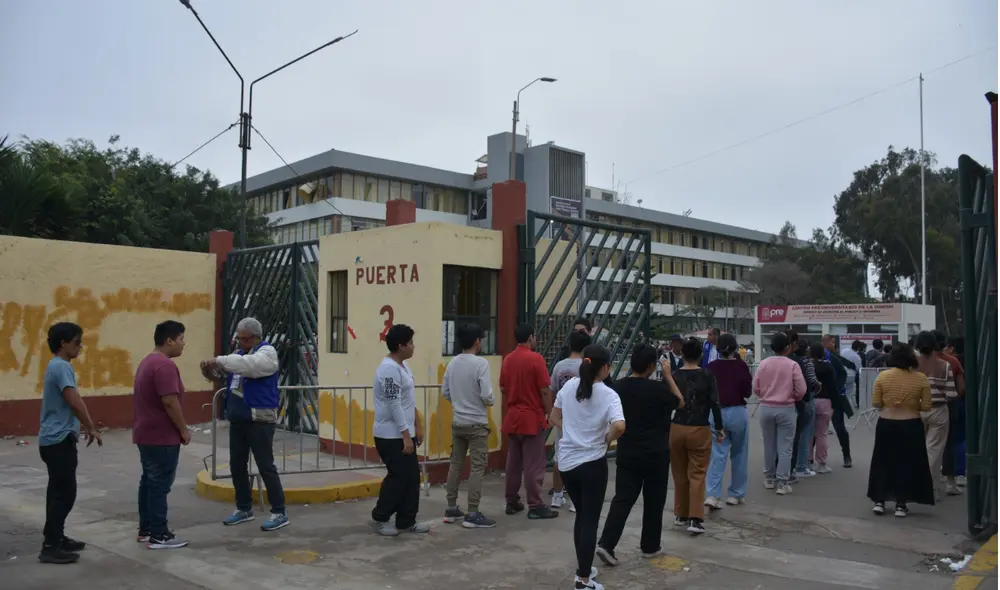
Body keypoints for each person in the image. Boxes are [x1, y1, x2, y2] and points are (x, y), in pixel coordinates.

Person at [596, 344, 683, 566]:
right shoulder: (658, 389)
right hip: (656, 453)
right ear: (652, 366)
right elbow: (680, 402)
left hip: (628, 452)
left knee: (623, 499)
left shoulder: (618, 388)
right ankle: (650, 546)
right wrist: (668, 376)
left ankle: (606, 544)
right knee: (654, 501)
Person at [549, 344, 625, 590]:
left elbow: (553, 418)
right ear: (604, 368)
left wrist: (571, 429)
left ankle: (584, 568)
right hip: (592, 464)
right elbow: (620, 426)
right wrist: (606, 436)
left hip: (568, 463)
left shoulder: (569, 386)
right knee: (589, 520)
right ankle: (583, 580)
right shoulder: (609, 394)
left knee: (582, 516)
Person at [201, 317, 288, 532]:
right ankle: (243, 507)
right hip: (239, 418)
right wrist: (211, 370)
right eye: (238, 339)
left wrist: (219, 360)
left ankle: (279, 511)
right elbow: (230, 375)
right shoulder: (239, 355)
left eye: (244, 339)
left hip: (259, 420)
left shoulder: (267, 354)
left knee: (266, 466)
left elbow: (249, 367)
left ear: (256, 337)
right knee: (236, 466)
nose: (240, 343)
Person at [37, 322, 103, 565]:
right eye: (77, 342)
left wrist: (86, 425)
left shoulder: (58, 366)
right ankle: (51, 546)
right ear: (63, 343)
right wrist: (91, 426)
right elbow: (73, 400)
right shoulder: (61, 367)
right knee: (65, 493)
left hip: (54, 439)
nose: (80, 347)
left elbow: (74, 400)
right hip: (57, 440)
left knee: (57, 491)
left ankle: (56, 537)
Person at [133, 320, 190, 549]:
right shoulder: (164, 366)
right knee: (159, 484)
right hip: (161, 436)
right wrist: (183, 429)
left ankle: (146, 529)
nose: (183, 344)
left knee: (149, 481)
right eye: (181, 339)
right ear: (169, 340)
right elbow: (169, 401)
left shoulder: (148, 361)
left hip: (146, 433)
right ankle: (159, 534)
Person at [368, 323, 429, 536]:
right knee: (399, 477)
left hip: (405, 432)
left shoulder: (402, 366)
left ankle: (406, 520)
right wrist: (405, 436)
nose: (414, 347)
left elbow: (408, 401)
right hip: (390, 434)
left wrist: (417, 426)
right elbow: (394, 403)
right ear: (401, 346)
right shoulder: (388, 369)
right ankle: (380, 517)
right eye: (411, 343)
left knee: (412, 477)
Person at [867, 343, 934, 517]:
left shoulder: (882, 377)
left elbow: (876, 403)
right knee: (906, 463)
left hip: (886, 423)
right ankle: (901, 504)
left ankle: (879, 501)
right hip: (911, 424)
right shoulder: (921, 379)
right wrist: (912, 403)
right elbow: (926, 406)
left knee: (882, 462)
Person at [500, 324, 559, 519]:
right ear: (531, 337)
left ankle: (512, 500)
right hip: (531, 417)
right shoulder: (536, 359)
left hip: (513, 415)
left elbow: (503, 389)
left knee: (514, 462)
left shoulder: (508, 360)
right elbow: (544, 390)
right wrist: (550, 413)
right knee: (534, 464)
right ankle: (535, 504)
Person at [442, 324, 496, 529]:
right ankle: (473, 512)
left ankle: (451, 507)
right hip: (477, 423)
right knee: (477, 467)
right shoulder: (481, 364)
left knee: (456, 463)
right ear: (476, 342)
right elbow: (487, 395)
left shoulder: (453, 363)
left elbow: (445, 392)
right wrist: (489, 401)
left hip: (458, 421)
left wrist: (459, 402)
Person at [670, 337, 724, 534]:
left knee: (679, 473)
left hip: (676, 427)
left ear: (682, 354)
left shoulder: (674, 375)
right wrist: (719, 428)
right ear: (701, 355)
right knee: (697, 474)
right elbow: (714, 404)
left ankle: (680, 513)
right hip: (699, 427)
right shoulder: (707, 375)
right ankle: (695, 518)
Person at [704, 333, 753, 509]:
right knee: (739, 453)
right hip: (738, 411)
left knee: (717, 454)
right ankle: (736, 494)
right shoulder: (741, 366)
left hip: (717, 413)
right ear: (734, 348)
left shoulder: (711, 367)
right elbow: (748, 392)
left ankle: (712, 494)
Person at [754, 332, 806, 496]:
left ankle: (769, 478)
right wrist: (793, 397)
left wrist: (763, 396)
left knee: (769, 444)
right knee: (785, 447)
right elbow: (801, 389)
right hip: (786, 408)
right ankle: (782, 482)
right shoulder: (792, 365)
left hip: (766, 407)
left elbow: (756, 386)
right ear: (787, 347)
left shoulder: (763, 364)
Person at [549, 330, 592, 513]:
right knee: (581, 457)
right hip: (581, 418)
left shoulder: (559, 366)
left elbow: (552, 390)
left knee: (560, 455)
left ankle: (557, 495)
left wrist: (554, 411)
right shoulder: (586, 366)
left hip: (562, 417)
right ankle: (576, 499)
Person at [915, 331, 956, 499]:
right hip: (939, 410)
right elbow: (952, 394)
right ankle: (930, 487)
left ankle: (920, 484)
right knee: (935, 450)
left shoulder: (912, 365)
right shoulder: (944, 365)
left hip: (916, 410)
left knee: (918, 448)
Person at [787, 333, 819, 481]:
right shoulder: (804, 363)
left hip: (782, 403)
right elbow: (810, 382)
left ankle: (777, 469)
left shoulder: (781, 361)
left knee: (783, 438)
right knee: (804, 434)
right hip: (803, 401)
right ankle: (800, 467)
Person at [823, 335, 854, 468]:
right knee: (815, 430)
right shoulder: (815, 357)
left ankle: (847, 455)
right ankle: (809, 458)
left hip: (835, 398)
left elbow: (843, 372)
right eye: (832, 342)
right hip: (820, 398)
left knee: (839, 427)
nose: (834, 345)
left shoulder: (833, 358)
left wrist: (836, 388)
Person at [808, 342, 838, 474]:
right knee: (822, 433)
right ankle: (822, 463)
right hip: (826, 401)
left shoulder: (807, 366)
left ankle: (807, 461)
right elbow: (833, 386)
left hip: (810, 401)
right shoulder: (828, 366)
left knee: (808, 433)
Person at [942, 335, 966, 491]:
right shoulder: (970, 360)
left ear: (952, 348)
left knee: (950, 440)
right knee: (961, 438)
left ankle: (952, 472)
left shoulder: (949, 362)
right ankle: (960, 473)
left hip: (951, 403)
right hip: (965, 403)